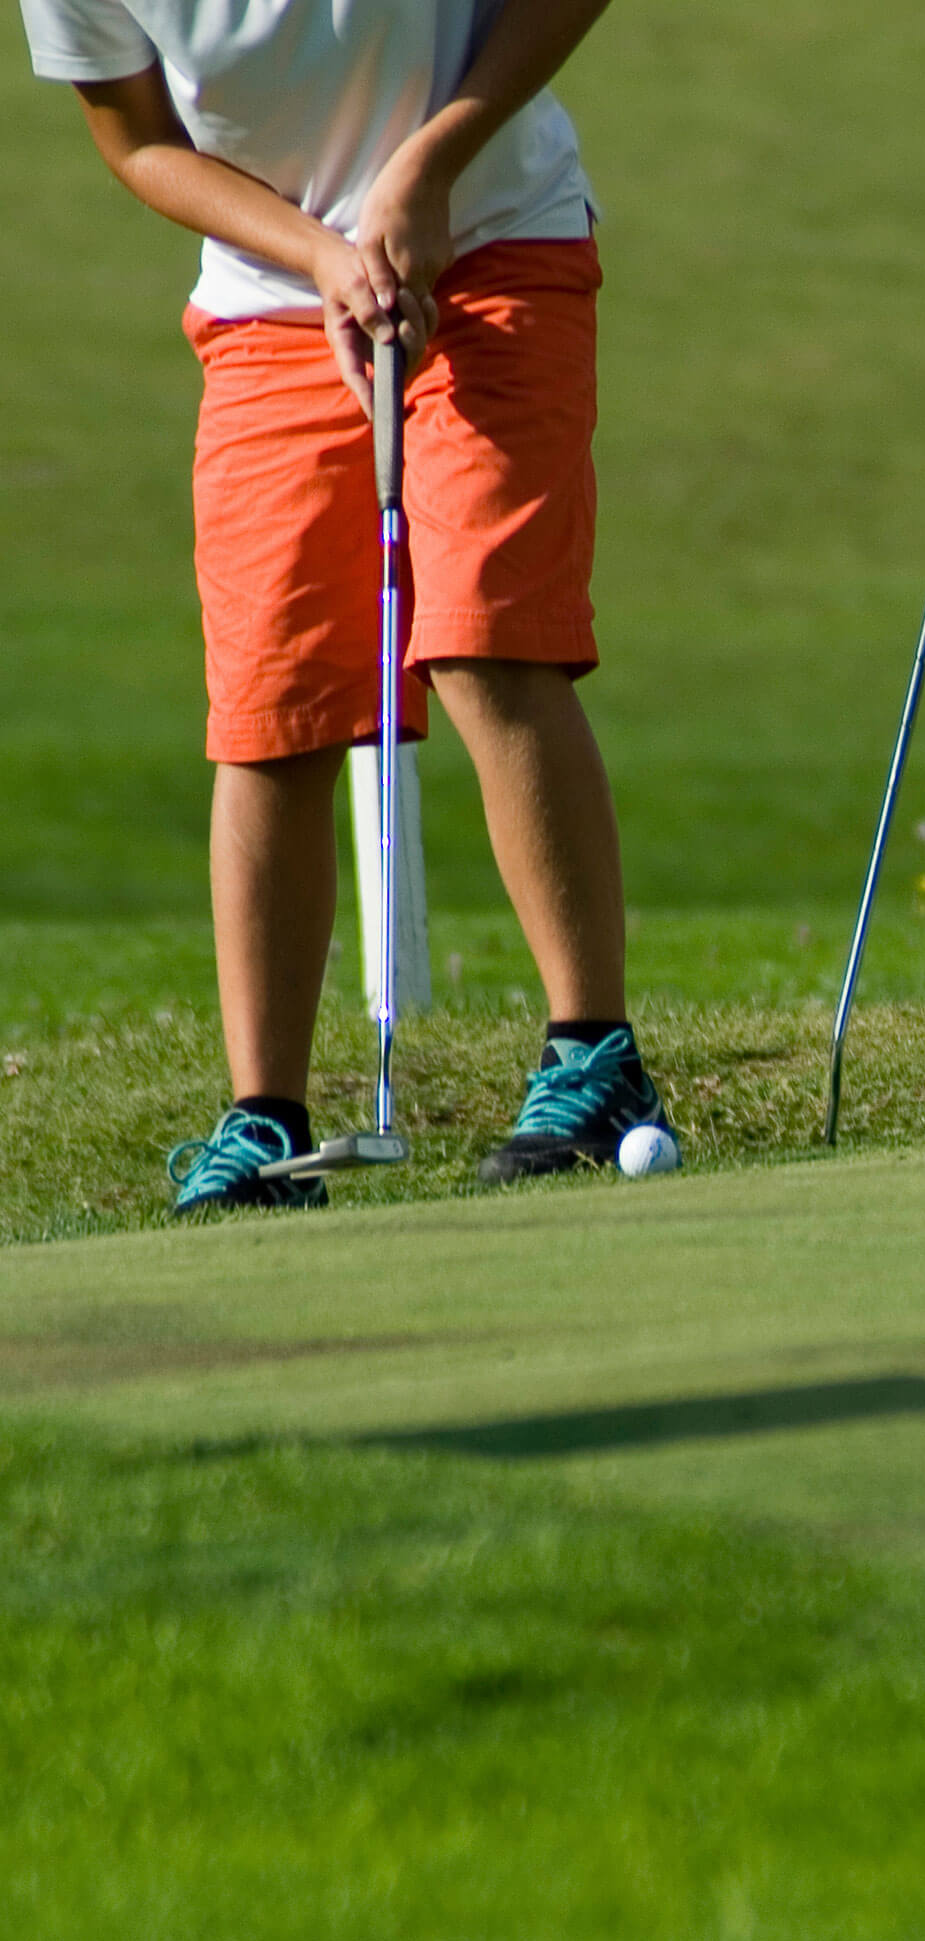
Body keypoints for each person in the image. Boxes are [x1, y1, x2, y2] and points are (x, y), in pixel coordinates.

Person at [19, 0, 677, 1210]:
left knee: (485, 636)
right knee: (272, 707)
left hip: (490, 237)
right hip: (271, 298)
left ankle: (595, 1057)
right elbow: (138, 140)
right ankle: (264, 1123)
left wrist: (428, 165)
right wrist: (322, 255)